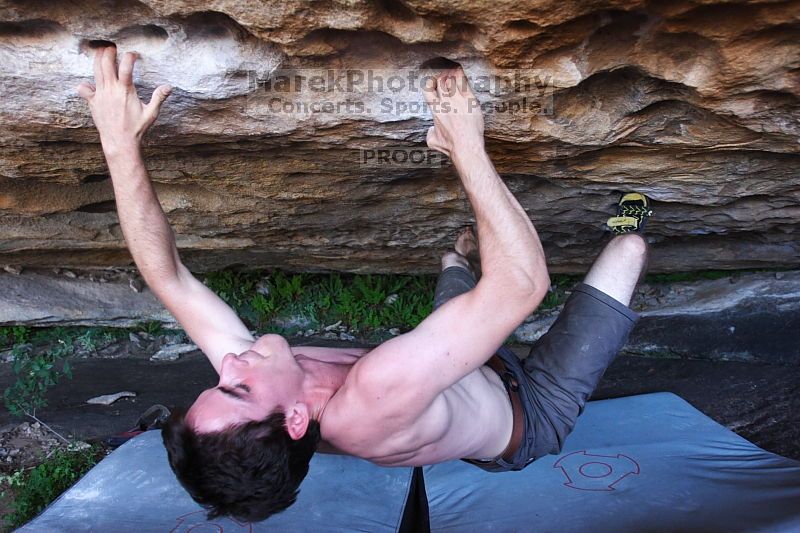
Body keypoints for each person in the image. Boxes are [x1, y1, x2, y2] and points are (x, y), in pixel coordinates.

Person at [77, 46, 651, 522]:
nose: (228, 365)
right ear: (296, 420)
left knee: (458, 267)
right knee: (626, 251)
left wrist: (118, 143)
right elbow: (524, 286)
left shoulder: (263, 382)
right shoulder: (375, 395)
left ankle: (459, 257)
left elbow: (167, 277)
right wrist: (466, 144)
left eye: (220, 382)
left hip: (461, 365)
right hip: (534, 412)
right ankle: (628, 226)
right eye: (236, 390)